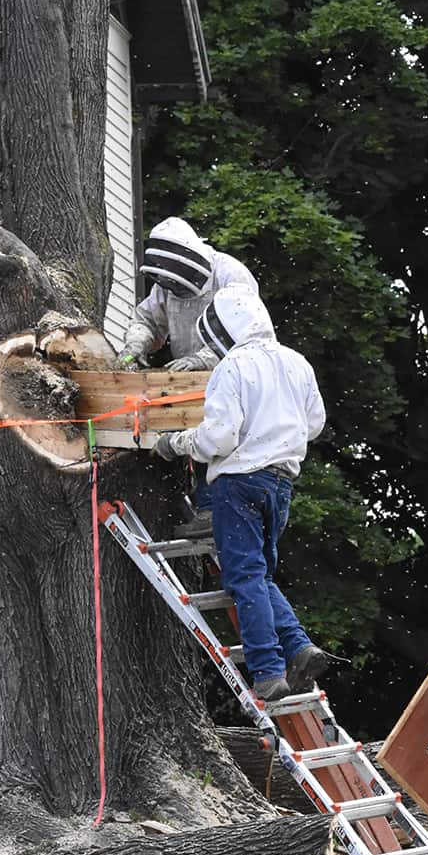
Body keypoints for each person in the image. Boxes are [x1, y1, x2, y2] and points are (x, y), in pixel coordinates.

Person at [151, 284, 333, 701]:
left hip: (239, 485)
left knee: (244, 577)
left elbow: (218, 438)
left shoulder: (232, 367)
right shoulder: (296, 362)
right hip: (282, 483)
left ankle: (268, 671)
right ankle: (299, 646)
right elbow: (314, 423)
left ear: (223, 328)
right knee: (259, 574)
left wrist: (175, 443)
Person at [116, 217, 259, 538]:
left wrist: (202, 359)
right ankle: (195, 507)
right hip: (189, 382)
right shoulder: (167, 286)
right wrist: (133, 347)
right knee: (178, 439)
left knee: (220, 439)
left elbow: (247, 329)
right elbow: (148, 320)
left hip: (234, 373)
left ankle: (212, 511)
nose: (178, 290)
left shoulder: (230, 274)